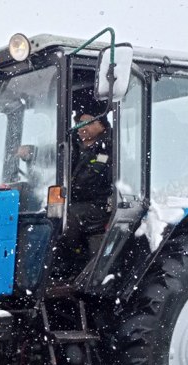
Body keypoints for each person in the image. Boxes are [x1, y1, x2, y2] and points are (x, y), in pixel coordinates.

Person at [65, 96, 114, 264]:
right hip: (74, 200)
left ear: (101, 125)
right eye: (79, 123)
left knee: (66, 217)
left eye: (88, 122)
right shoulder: (70, 145)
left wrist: (72, 187)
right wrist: (32, 153)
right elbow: (49, 155)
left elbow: (94, 180)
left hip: (100, 203)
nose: (82, 127)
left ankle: (68, 262)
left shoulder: (109, 148)